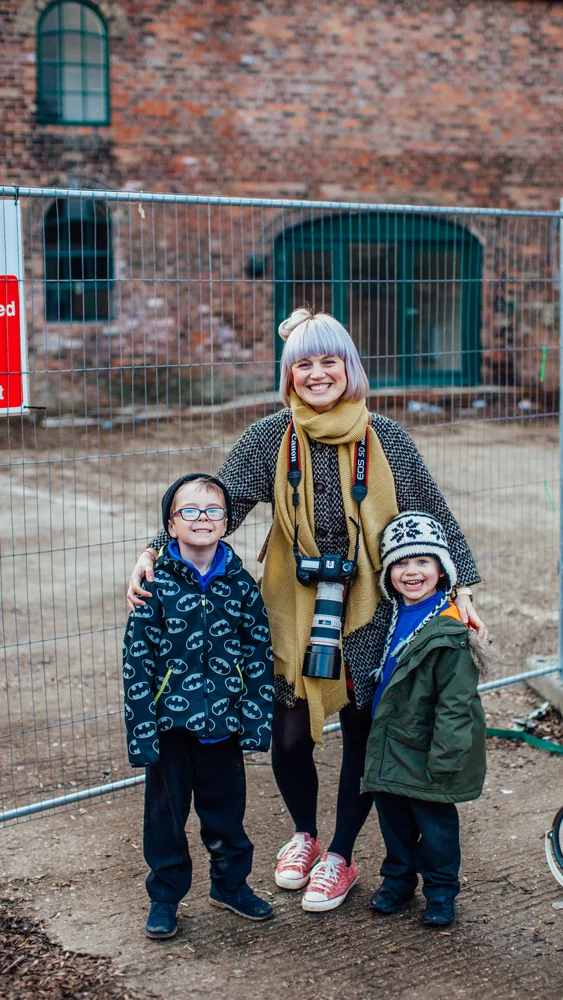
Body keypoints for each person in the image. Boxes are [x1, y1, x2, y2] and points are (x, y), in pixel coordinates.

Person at [127, 308, 486, 913]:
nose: (317, 374)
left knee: (364, 735)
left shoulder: (387, 437)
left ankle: (340, 855)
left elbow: (432, 510)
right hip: (292, 606)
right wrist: (154, 550)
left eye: (329, 361)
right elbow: (216, 506)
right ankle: (303, 833)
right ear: (289, 373)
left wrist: (462, 587)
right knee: (289, 738)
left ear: (350, 367)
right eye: (304, 364)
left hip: (372, 606)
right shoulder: (270, 437)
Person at [123, 474, 274, 940]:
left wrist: (254, 719)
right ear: (171, 525)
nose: (202, 519)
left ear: (227, 522)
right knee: (166, 819)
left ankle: (230, 885)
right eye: (190, 510)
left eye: (213, 511)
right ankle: (165, 897)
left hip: (223, 727)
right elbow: (137, 663)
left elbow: (258, 652)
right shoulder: (155, 584)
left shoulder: (241, 584)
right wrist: (141, 732)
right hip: (171, 727)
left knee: (226, 814)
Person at [362, 511, 487, 927]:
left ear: (441, 570)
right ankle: (397, 880)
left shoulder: (452, 631)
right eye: (400, 562)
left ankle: (440, 891)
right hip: (391, 741)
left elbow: (456, 703)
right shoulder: (390, 615)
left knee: (435, 828)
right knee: (393, 821)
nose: (411, 572)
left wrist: (447, 758)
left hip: (429, 749)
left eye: (422, 562)